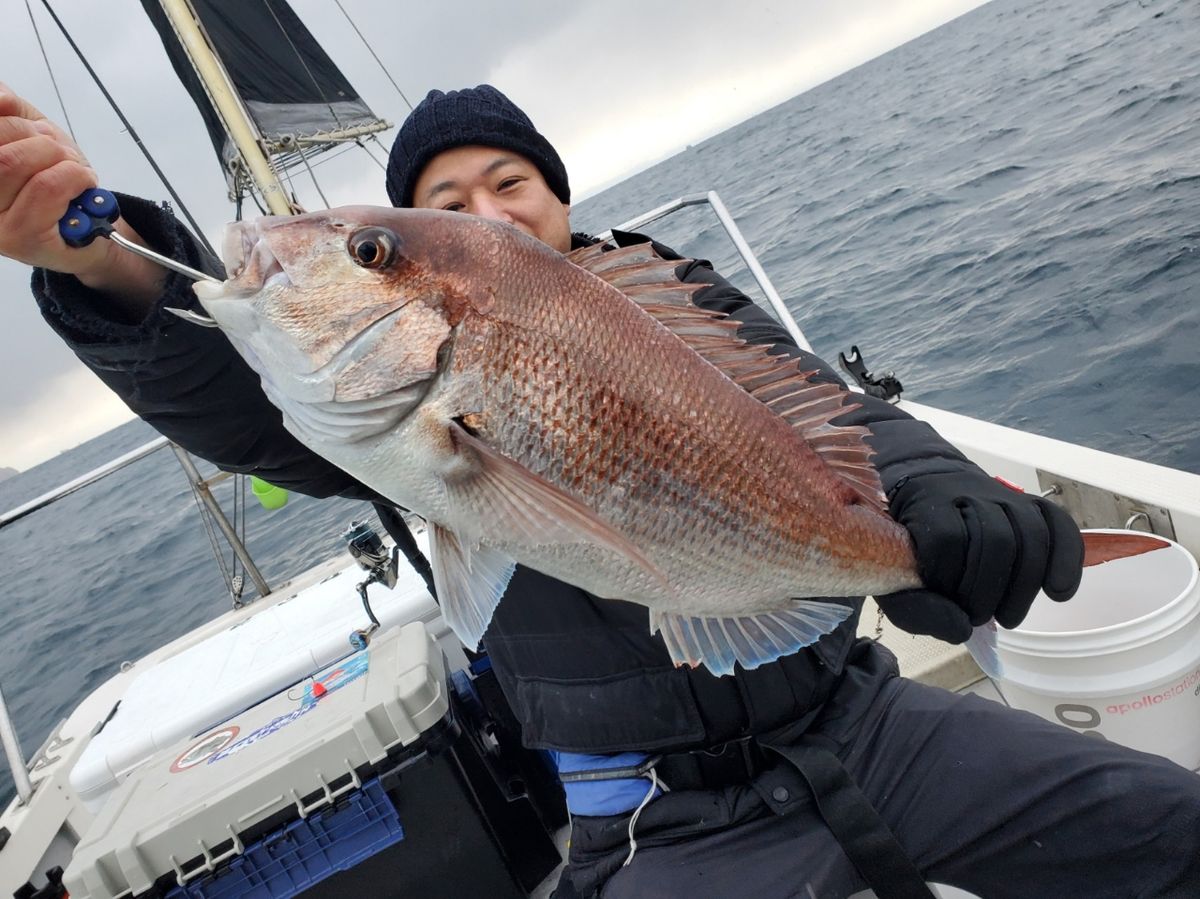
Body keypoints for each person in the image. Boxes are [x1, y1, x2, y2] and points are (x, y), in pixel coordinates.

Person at [2, 82, 1198, 899]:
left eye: (509, 179)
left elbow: (835, 413)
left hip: (865, 715)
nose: (484, 209)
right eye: (437, 208)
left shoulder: (676, 292)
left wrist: (934, 504)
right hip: (650, 810)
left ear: (556, 198)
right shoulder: (357, 421)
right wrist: (100, 263)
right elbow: (237, 399)